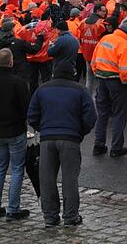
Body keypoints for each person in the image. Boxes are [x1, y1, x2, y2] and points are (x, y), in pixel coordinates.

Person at [27, 62, 97, 228]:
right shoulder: (80, 90)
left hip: (47, 139)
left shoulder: (42, 89)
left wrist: (43, 128)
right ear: (72, 73)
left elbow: (32, 115)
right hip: (70, 139)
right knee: (70, 179)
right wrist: (79, 132)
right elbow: (90, 117)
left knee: (47, 179)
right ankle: (70, 216)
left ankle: (50, 216)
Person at [0, 48, 31, 221]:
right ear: (11, 62)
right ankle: (12, 209)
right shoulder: (18, 82)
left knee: (0, 168)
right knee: (17, 169)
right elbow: (26, 107)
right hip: (15, 130)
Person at [91, 17, 127, 157]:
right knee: (118, 114)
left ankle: (99, 145)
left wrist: (98, 73)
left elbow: (94, 61)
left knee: (102, 113)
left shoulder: (105, 39)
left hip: (101, 79)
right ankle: (116, 148)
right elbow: (125, 70)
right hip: (117, 82)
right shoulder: (125, 45)